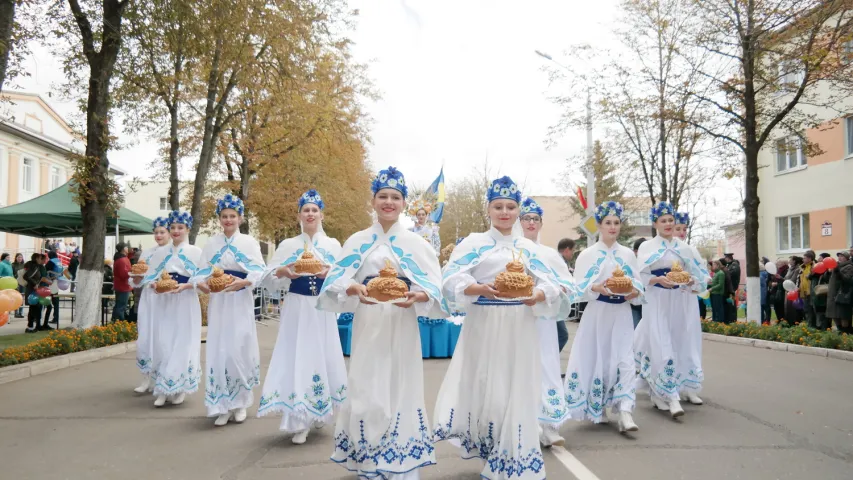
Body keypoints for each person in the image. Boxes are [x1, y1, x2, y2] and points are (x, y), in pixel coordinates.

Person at [434, 176, 569, 480]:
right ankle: (491, 453)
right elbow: (450, 277)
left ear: (518, 211)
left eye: (510, 206)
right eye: (498, 206)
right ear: (489, 209)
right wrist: (477, 287)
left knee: (517, 390)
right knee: (488, 392)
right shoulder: (474, 243)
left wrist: (538, 294)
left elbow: (555, 282)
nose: (504, 212)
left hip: (520, 326)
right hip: (484, 326)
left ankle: (514, 458)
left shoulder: (529, 249)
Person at [318, 167, 445, 479]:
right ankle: (369, 461)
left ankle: (401, 462)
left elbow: (434, 286)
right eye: (383, 196)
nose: (389, 202)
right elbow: (336, 280)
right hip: (369, 322)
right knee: (367, 388)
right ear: (373, 201)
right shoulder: (358, 240)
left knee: (401, 386)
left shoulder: (417, 244)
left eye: (395, 197)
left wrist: (418, 296)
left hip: (401, 322)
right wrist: (351, 286)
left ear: (404, 204)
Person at [258, 189, 347, 444]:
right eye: (305, 210)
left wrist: (327, 273)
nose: (310, 214)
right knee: (299, 354)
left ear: (321, 215)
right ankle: (299, 418)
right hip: (297, 307)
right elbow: (267, 276)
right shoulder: (289, 245)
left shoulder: (332, 245)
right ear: (299, 215)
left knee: (323, 353)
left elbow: (343, 277)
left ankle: (320, 409)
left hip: (321, 308)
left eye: (314, 210)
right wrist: (286, 271)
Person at [565, 201, 643, 434]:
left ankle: (626, 409)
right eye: (608, 223)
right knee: (598, 357)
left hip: (621, 313)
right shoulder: (587, 255)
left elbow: (638, 287)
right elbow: (578, 289)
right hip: (597, 314)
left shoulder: (628, 254)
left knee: (625, 360)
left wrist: (632, 292)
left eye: (616, 223)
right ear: (599, 225)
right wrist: (596, 288)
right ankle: (597, 405)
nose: (612, 227)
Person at [195, 194, 265, 427]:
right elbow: (200, 272)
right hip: (219, 303)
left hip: (239, 301)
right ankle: (222, 405)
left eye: (232, 216)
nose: (228, 220)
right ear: (219, 218)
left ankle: (242, 402)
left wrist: (244, 282)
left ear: (240, 218)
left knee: (238, 348)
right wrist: (202, 284)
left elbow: (259, 271)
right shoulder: (212, 243)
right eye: (224, 216)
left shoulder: (248, 242)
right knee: (220, 350)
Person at [633, 201, 707, 418]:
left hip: (679, 302)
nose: (667, 224)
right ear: (655, 223)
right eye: (663, 220)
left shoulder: (684, 248)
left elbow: (700, 276)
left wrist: (689, 281)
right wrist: (657, 279)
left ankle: (664, 391)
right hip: (657, 301)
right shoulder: (647, 247)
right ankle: (671, 396)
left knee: (678, 342)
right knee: (660, 343)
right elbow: (640, 276)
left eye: (670, 220)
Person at [518, 198, 577, 446]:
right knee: (521, 369)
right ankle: (524, 423)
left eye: (536, 219)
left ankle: (550, 425)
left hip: (542, 319)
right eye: (527, 218)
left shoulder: (549, 254)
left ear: (541, 224)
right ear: (519, 222)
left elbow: (568, 284)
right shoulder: (511, 250)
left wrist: (552, 290)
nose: (531, 223)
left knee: (547, 367)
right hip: (516, 319)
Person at [142, 210, 203, 408]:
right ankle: (162, 388)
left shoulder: (196, 252)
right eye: (173, 228)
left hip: (185, 301)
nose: (176, 231)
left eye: (180, 228)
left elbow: (202, 279)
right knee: (165, 341)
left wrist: (186, 285)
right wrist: (154, 284)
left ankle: (180, 387)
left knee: (183, 343)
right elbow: (150, 276)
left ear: (187, 229)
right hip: (165, 302)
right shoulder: (161, 253)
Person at [129, 217, 171, 394]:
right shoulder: (146, 253)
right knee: (146, 336)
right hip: (149, 299)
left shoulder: (173, 252)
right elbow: (138, 279)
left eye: (162, 232)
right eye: (156, 233)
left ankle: (163, 378)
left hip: (165, 299)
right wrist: (137, 278)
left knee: (163, 338)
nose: (159, 235)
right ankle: (146, 377)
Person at [556, 238, 576, 349]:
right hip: (553, 303)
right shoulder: (558, 262)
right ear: (567, 250)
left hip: (556, 303)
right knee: (562, 335)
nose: (572, 254)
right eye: (573, 251)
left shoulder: (560, 261)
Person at [826, 251, 853, 333]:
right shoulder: (836, 266)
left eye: (842, 256)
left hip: (842, 295)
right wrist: (827, 272)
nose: (839, 258)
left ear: (846, 258)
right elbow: (828, 278)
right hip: (833, 294)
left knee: (843, 316)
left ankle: (846, 333)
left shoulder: (849, 267)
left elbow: (847, 280)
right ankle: (840, 331)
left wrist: (838, 271)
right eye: (839, 256)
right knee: (834, 315)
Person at [23, 253, 49, 333]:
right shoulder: (34, 266)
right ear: (36, 258)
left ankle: (32, 327)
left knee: (34, 308)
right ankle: (31, 327)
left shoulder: (34, 266)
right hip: (32, 290)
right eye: (40, 258)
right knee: (34, 308)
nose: (41, 260)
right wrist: (35, 284)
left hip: (33, 289)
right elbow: (26, 276)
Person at [112, 243, 132, 321]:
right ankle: (120, 322)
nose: (128, 248)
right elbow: (124, 274)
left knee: (119, 304)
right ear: (124, 249)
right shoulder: (122, 260)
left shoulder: (120, 259)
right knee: (121, 306)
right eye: (127, 247)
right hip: (123, 286)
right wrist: (132, 273)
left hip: (121, 285)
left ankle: (115, 321)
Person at [631, 238, 647, 328]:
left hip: (649, 306)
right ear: (635, 251)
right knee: (635, 331)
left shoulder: (651, 264)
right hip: (634, 306)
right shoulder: (631, 266)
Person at [785, 256, 804, 324]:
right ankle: (789, 321)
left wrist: (784, 280)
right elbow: (786, 278)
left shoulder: (797, 269)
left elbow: (793, 280)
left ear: (794, 261)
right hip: (788, 290)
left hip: (793, 290)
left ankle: (794, 322)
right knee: (788, 307)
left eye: (790, 260)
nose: (789, 261)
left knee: (793, 307)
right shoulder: (790, 269)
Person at [801, 250, 816, 328]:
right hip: (805, 292)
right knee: (806, 310)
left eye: (805, 258)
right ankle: (809, 325)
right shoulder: (804, 267)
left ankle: (811, 326)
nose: (803, 259)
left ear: (810, 258)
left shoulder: (813, 266)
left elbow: (810, 279)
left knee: (811, 310)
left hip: (810, 292)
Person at [12, 253, 26, 318]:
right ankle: (16, 312)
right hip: (16, 283)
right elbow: (12, 274)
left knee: (21, 298)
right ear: (16, 258)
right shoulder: (13, 265)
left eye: (21, 257)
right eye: (18, 257)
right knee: (16, 298)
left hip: (22, 283)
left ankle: (21, 312)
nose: (20, 258)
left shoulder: (24, 265)